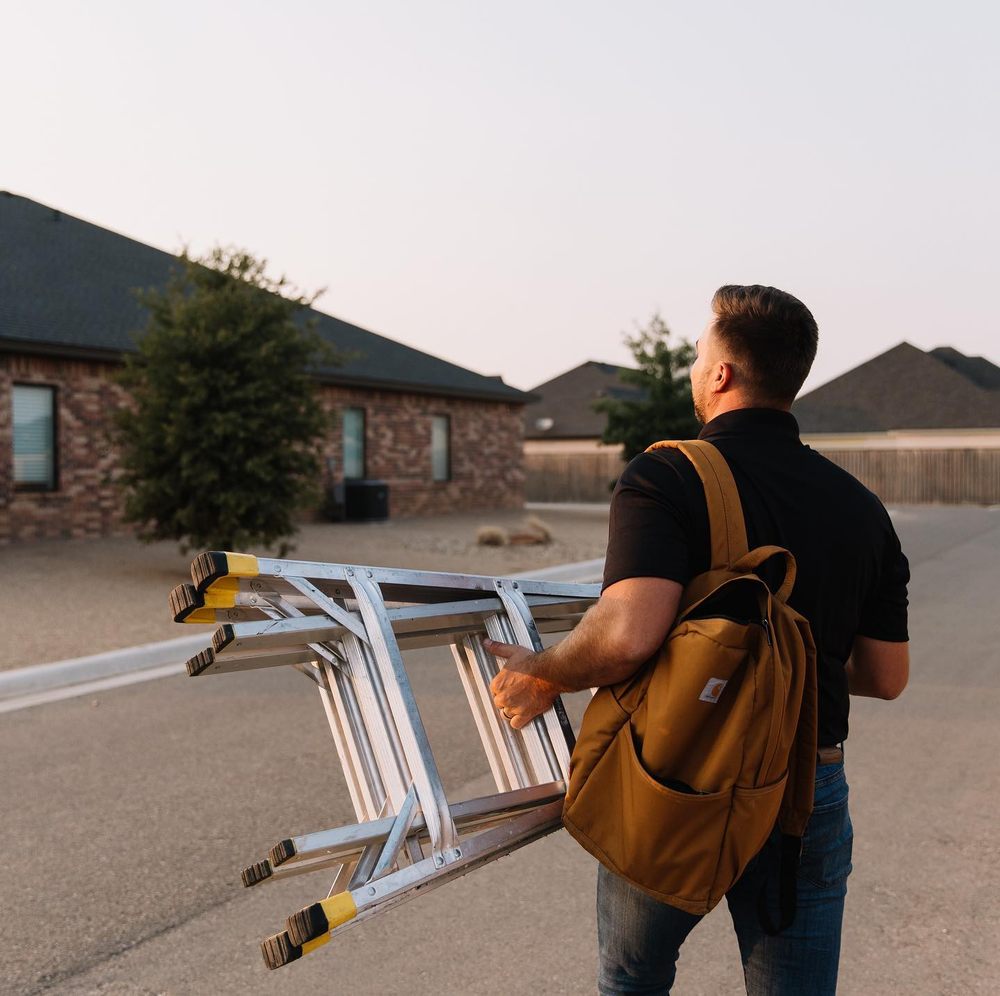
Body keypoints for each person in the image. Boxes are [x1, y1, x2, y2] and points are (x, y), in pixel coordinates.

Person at [485, 284, 910, 995]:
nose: (692, 366)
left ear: (721, 374)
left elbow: (627, 635)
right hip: (808, 786)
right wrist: (789, 673)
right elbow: (886, 674)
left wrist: (543, 671)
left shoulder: (667, 475)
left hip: (677, 773)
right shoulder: (862, 507)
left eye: (697, 353)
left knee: (634, 979)